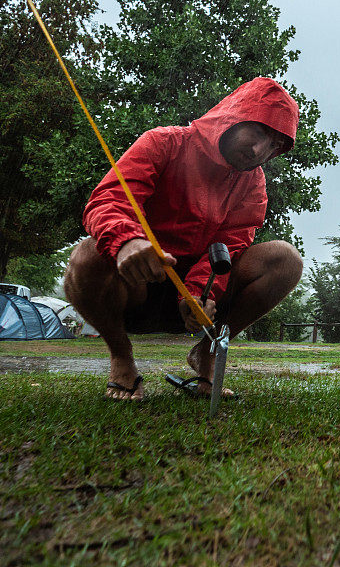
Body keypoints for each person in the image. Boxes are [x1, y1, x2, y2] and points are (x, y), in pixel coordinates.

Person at [65, 78, 304, 400]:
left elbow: (231, 243)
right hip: (137, 284)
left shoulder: (254, 182)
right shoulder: (163, 142)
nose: (260, 150)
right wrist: (128, 241)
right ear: (233, 117)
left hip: (195, 300)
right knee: (88, 253)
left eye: (274, 145)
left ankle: (206, 352)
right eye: (259, 132)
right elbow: (110, 200)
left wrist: (197, 295)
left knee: (285, 258)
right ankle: (121, 357)